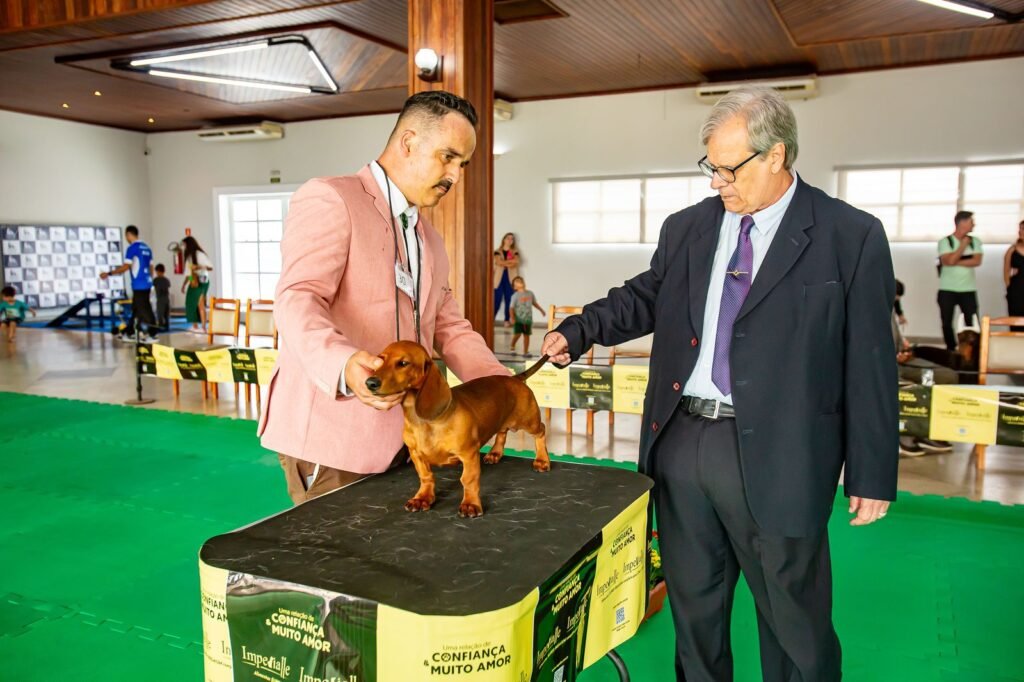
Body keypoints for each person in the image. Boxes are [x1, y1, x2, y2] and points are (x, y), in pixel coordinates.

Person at [542, 86, 897, 682]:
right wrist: (580, 331)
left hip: (783, 453)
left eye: (729, 169)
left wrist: (871, 470)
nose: (716, 182)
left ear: (777, 156)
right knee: (695, 611)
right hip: (684, 442)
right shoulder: (690, 227)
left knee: (793, 620)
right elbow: (646, 296)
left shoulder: (849, 235)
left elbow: (869, 361)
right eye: (710, 166)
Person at [259, 90, 509, 506]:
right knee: (336, 568)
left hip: (413, 440)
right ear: (408, 142)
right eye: (448, 157)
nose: (456, 175)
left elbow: (447, 324)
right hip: (333, 442)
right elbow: (297, 298)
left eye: (462, 164)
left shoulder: (429, 237)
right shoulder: (332, 197)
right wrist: (343, 365)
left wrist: (503, 386)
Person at [100, 224, 156, 342]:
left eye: (126, 236)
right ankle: (128, 332)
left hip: (139, 284)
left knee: (144, 310)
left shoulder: (132, 248)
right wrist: (150, 280)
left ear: (129, 235)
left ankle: (152, 334)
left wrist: (109, 273)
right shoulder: (147, 248)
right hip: (147, 282)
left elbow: (126, 267)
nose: (126, 238)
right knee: (136, 308)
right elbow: (151, 267)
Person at [937, 210, 983, 350]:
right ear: (962, 222)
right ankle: (951, 349)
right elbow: (947, 261)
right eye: (971, 221)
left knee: (972, 321)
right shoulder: (945, 242)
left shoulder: (975, 241)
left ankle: (971, 350)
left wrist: (955, 260)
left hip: (968, 289)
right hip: (947, 289)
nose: (974, 224)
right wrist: (962, 246)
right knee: (947, 322)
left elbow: (977, 260)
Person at [181, 236, 213, 332]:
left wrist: (198, 267)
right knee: (190, 303)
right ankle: (195, 326)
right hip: (194, 280)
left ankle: (203, 327)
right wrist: (186, 283)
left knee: (200, 304)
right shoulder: (189, 257)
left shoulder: (199, 254)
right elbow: (189, 274)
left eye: (184, 245)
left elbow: (210, 267)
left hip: (203, 280)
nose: (183, 247)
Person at [508, 276, 545, 356]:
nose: (520, 281)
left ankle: (525, 351)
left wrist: (541, 310)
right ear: (514, 286)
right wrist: (512, 317)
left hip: (528, 319)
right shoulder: (515, 296)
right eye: (517, 281)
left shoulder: (530, 293)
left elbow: (534, 303)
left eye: (520, 280)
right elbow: (511, 308)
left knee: (526, 335)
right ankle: (512, 347)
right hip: (518, 319)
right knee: (517, 334)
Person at [493, 232, 519, 327]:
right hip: (498, 278)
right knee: (496, 299)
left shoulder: (515, 251)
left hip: (510, 279)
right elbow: (498, 262)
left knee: (509, 299)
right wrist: (509, 263)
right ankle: (491, 319)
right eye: (508, 238)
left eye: (512, 239)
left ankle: (507, 320)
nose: (510, 240)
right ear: (504, 239)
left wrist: (504, 263)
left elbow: (516, 261)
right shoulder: (497, 251)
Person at [1004, 219, 1024, 330]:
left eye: (1023, 229)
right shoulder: (1012, 250)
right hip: (1017, 290)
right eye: (1019, 229)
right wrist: (1009, 287)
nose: (1020, 231)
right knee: (1015, 321)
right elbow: (1006, 270)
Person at [153, 263, 171, 330]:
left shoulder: (156, 280)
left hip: (160, 299)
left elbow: (153, 287)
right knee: (166, 314)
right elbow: (168, 287)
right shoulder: (167, 280)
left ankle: (161, 326)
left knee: (160, 313)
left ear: (158, 271)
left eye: (156, 272)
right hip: (166, 299)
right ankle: (167, 326)